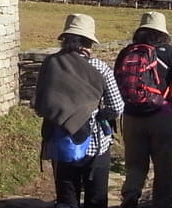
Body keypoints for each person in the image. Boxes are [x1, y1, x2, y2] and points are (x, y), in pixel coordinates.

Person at [33, 13, 124, 208]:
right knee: (96, 200)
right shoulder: (100, 68)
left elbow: (39, 106)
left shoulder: (51, 64)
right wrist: (99, 113)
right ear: (88, 43)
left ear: (65, 40)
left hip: (61, 142)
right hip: (95, 145)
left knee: (67, 200)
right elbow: (117, 107)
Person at [115, 11, 172, 208]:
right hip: (161, 115)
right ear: (162, 32)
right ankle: (161, 203)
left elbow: (118, 82)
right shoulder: (169, 52)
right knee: (164, 165)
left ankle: (131, 194)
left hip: (131, 116)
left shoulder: (127, 52)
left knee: (135, 163)